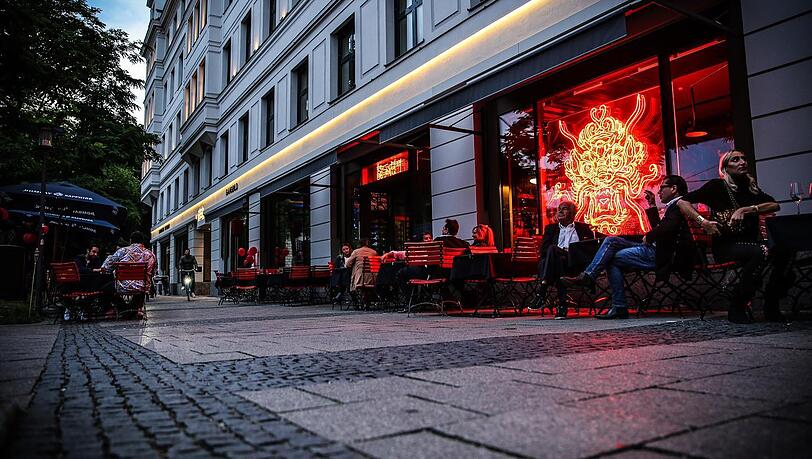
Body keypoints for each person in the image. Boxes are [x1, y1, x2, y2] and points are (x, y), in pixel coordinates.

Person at [675, 150, 788, 323]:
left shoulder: (751, 188)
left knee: (784, 251)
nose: (742, 162)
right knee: (760, 251)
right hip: (726, 246)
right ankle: (738, 303)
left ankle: (771, 303)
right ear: (725, 168)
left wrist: (746, 209)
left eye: (744, 158)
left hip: (752, 243)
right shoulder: (716, 187)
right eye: (736, 159)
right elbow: (682, 202)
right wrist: (703, 222)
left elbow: (775, 205)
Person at [563, 176, 695, 319]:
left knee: (611, 256)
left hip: (661, 255)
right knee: (611, 241)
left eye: (662, 187)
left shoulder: (679, 205)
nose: (659, 192)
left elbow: (668, 227)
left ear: (673, 189)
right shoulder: (675, 207)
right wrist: (651, 206)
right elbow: (664, 227)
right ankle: (591, 278)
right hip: (657, 250)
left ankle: (611, 299)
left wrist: (650, 236)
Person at [533, 201, 595, 318]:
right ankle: (562, 305)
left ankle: (543, 288)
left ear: (572, 214)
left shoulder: (583, 229)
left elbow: (589, 251)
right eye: (559, 209)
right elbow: (544, 251)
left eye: (564, 209)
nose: (560, 211)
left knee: (555, 253)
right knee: (556, 256)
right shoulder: (550, 229)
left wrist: (568, 251)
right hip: (556, 264)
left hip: (575, 265)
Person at [101, 231, 157, 319]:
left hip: (122, 286)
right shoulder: (150, 254)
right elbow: (152, 272)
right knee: (141, 285)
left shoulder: (122, 251)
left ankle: (122, 308)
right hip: (142, 286)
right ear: (142, 242)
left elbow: (106, 267)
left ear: (130, 241)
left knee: (105, 288)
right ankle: (135, 309)